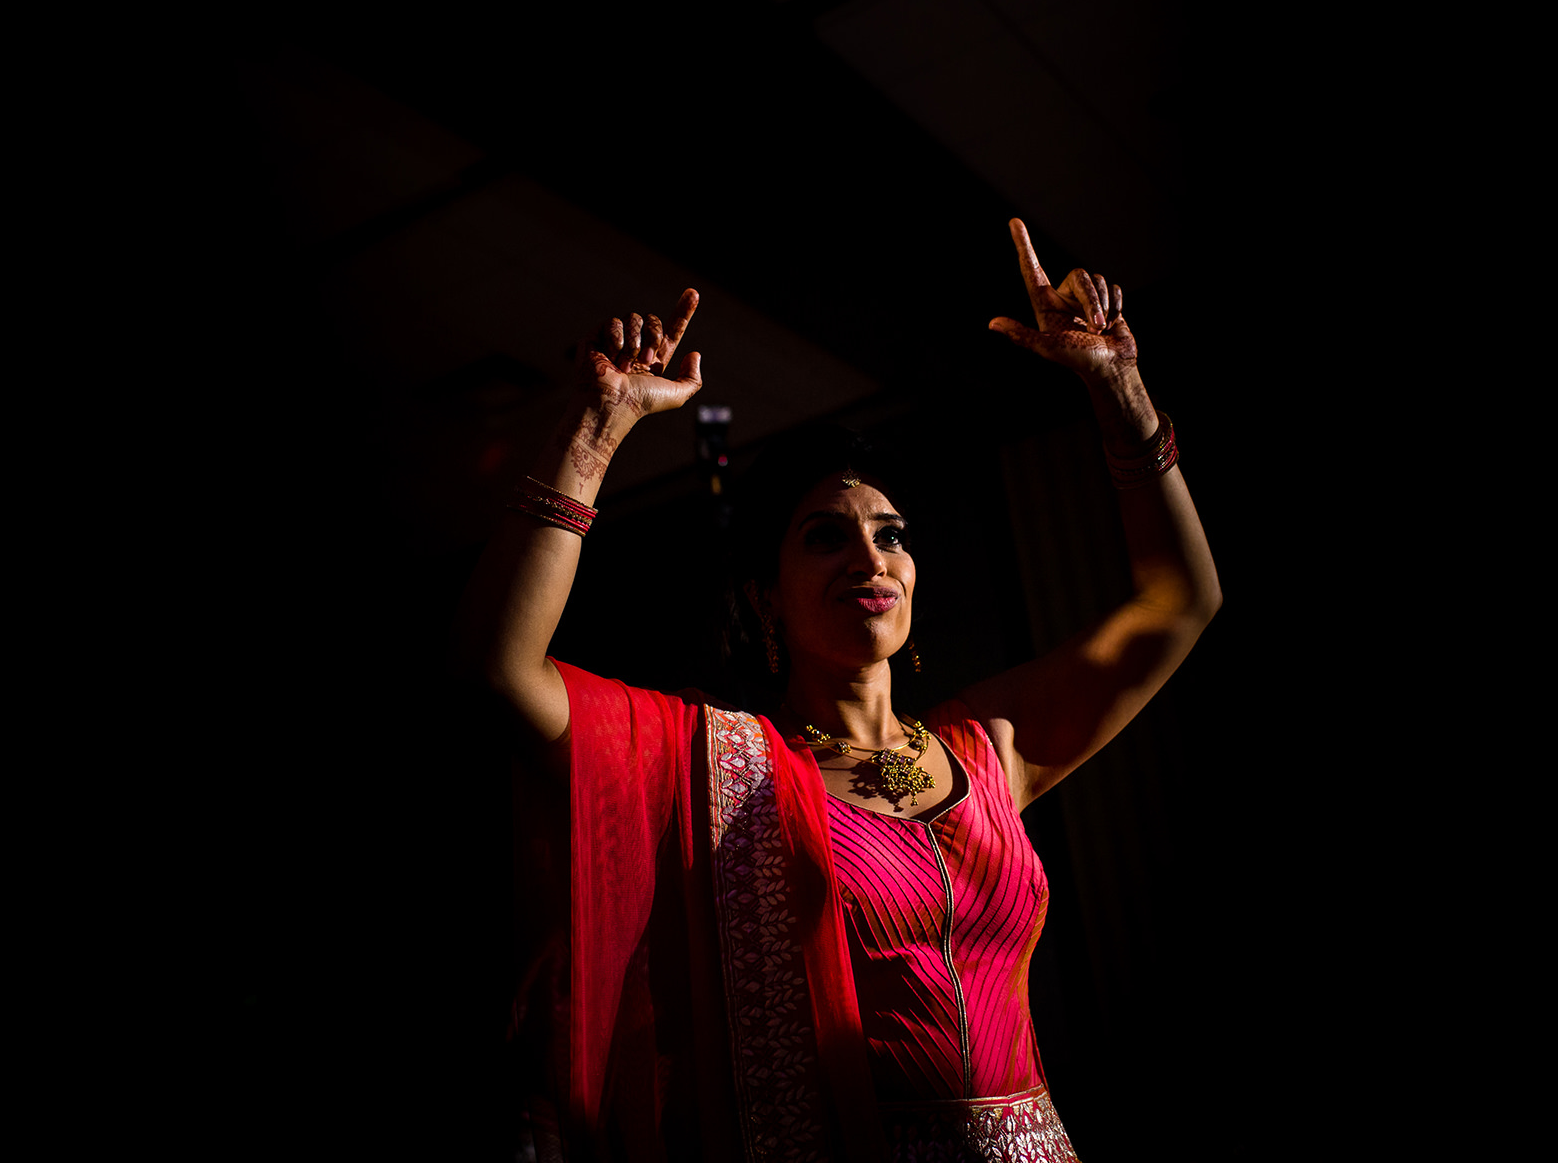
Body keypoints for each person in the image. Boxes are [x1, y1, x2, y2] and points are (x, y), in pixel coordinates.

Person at [463, 219, 1221, 1161]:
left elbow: (1181, 600)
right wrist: (597, 425)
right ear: (763, 597)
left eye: (892, 534)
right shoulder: (720, 772)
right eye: (825, 535)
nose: (871, 554)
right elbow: (502, 665)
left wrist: (1120, 388)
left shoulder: (989, 753)